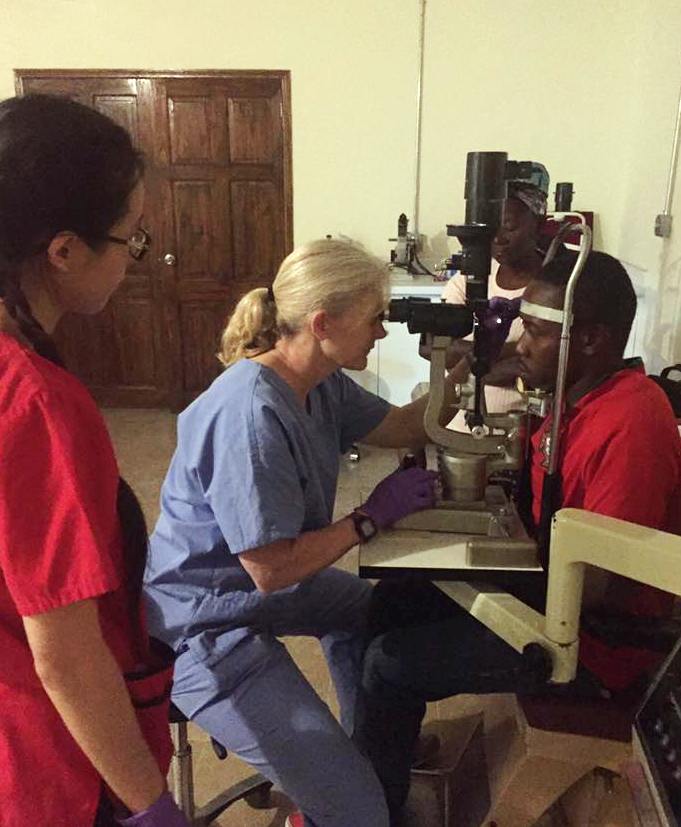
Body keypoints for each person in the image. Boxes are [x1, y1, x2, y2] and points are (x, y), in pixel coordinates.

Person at [144, 238, 462, 827]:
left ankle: (365, 748)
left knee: (374, 613)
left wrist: (462, 368)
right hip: (205, 623)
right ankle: (338, 792)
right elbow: (272, 569)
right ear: (323, 323)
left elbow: (400, 426)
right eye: (374, 319)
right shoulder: (249, 413)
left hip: (255, 586)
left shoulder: (320, 382)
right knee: (360, 812)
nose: (382, 332)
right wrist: (368, 517)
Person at [355, 251, 681, 824]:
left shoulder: (630, 420)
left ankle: (368, 812)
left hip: (596, 645)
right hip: (553, 590)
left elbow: (599, 588)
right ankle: (384, 762)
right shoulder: (576, 396)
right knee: (389, 602)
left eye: (534, 331)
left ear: (590, 339)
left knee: (390, 663)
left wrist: (478, 570)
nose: (521, 345)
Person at [0, 95, 190, 827]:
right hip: (45, 768)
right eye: (131, 238)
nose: (136, 260)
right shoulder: (35, 402)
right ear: (64, 251)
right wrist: (148, 806)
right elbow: (67, 655)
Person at [437, 181, 549, 431]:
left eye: (509, 227)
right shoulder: (467, 280)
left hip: (521, 434)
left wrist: (470, 363)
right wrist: (512, 354)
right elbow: (439, 350)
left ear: (538, 224)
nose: (498, 238)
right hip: (456, 429)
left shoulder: (553, 289)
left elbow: (546, 370)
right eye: (492, 228)